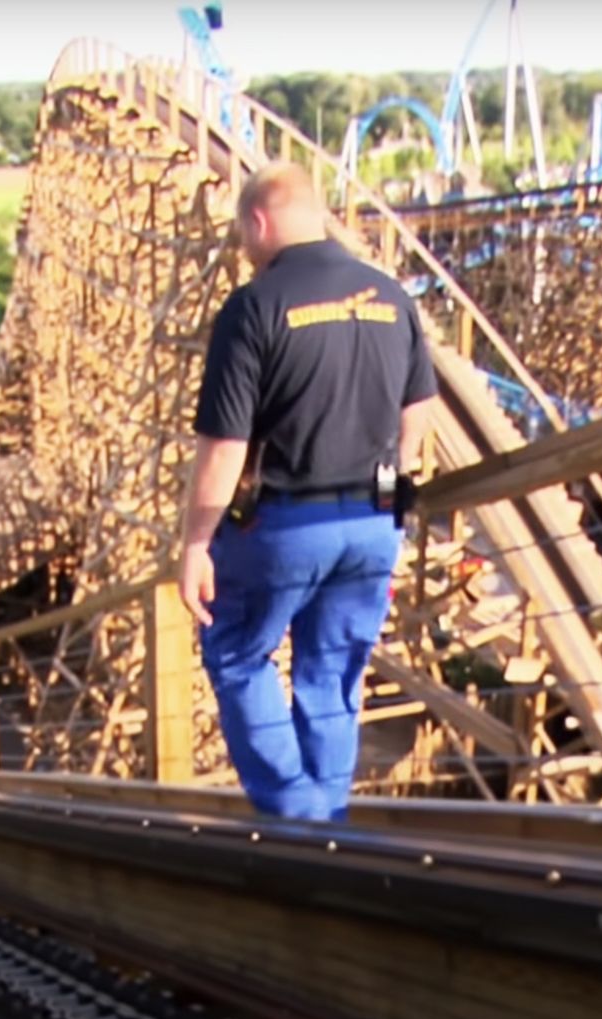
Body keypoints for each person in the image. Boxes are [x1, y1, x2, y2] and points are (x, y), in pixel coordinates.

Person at [178, 162, 438, 823]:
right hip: (374, 521)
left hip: (287, 525)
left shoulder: (253, 307)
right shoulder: (390, 295)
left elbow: (225, 446)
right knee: (332, 672)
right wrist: (391, 501)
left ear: (258, 221)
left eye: (244, 235)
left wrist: (196, 543)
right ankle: (330, 828)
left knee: (237, 650)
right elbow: (418, 417)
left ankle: (298, 818)